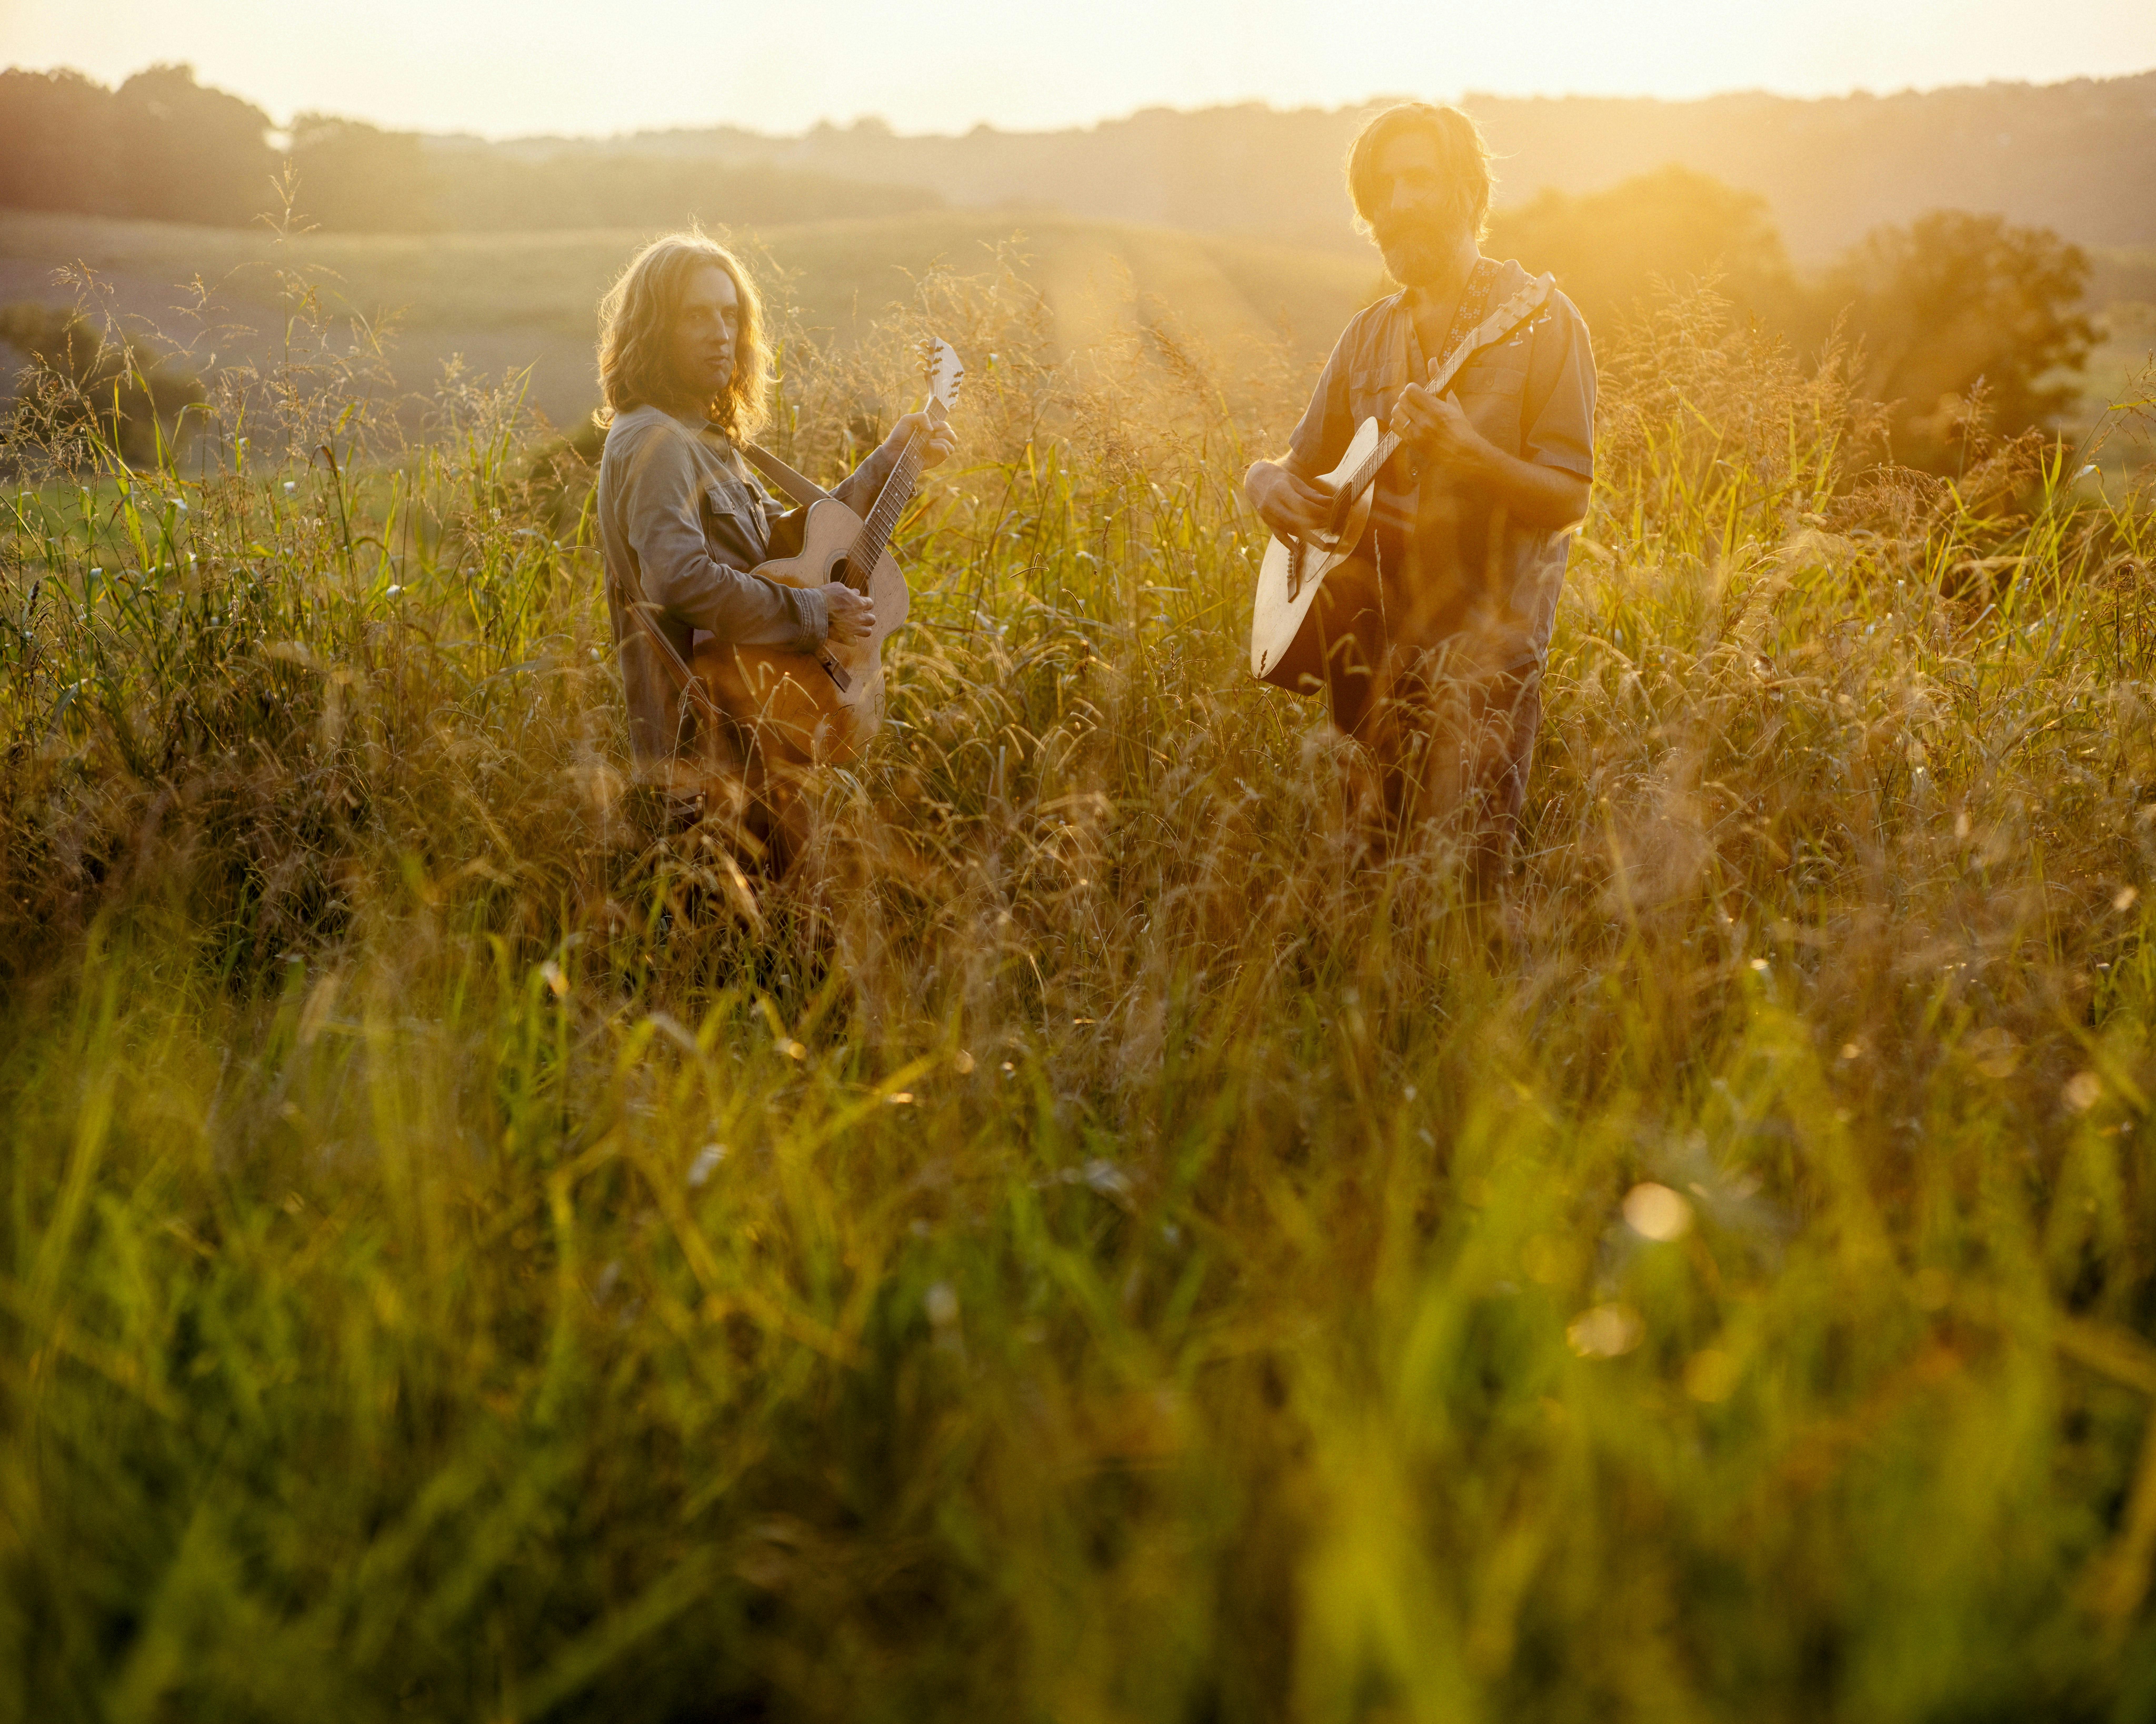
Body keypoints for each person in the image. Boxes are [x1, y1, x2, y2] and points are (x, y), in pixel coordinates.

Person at [1243, 103, 1595, 884]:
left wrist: (1471, 453)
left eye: (1420, 181)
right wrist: (1262, 481)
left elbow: (1569, 499)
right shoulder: (1366, 335)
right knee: (1368, 892)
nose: (1398, 203)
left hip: (1487, 670)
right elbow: (1298, 468)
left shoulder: (1539, 322)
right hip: (1363, 662)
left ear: (1469, 191)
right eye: (1382, 190)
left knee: (1467, 899)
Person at [593, 230, 956, 874]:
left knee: (790, 951)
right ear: (653, 328)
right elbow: (681, 580)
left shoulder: (708, 439)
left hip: (761, 744)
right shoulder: (657, 443)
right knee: (753, 956)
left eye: (730, 314)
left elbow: (796, 544)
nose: (720, 333)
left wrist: (894, 457)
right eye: (696, 314)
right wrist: (816, 612)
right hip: (707, 761)